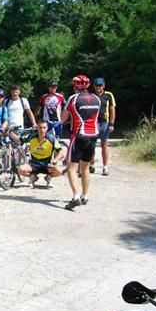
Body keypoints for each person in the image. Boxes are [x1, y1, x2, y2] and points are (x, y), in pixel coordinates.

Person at [61, 75, 101, 210]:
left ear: (76, 86)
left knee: (71, 166)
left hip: (79, 135)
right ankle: (85, 195)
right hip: (93, 135)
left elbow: (63, 117)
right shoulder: (96, 99)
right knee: (85, 167)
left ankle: (75, 196)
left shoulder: (73, 98)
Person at [10, 120, 65, 188]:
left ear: (47, 128)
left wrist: (55, 160)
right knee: (20, 169)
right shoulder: (31, 136)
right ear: (37, 128)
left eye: (44, 127)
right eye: (40, 127)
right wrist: (11, 134)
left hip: (47, 165)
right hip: (34, 164)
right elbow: (19, 140)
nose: (42, 130)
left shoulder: (52, 139)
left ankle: (48, 177)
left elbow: (61, 153)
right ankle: (33, 177)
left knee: (59, 171)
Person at [91, 77, 116, 175]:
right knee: (91, 144)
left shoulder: (109, 95)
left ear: (104, 86)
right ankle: (91, 165)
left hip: (104, 122)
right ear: (94, 86)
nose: (98, 87)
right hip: (93, 123)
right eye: (96, 85)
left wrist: (111, 123)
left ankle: (105, 167)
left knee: (104, 144)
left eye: (100, 85)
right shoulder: (91, 96)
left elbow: (112, 109)